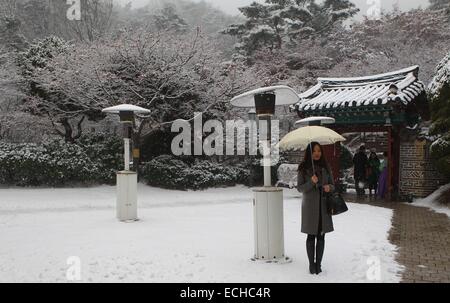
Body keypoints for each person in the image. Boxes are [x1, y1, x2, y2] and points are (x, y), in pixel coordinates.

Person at [297, 142, 335, 275]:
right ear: (309, 153)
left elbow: (333, 185)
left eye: (319, 151)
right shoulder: (303, 168)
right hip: (310, 207)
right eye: (314, 151)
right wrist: (311, 182)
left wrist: (329, 187)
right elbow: (300, 188)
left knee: (321, 235)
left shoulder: (326, 166)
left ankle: (318, 264)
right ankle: (311, 265)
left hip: (324, 205)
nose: (317, 153)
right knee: (311, 235)